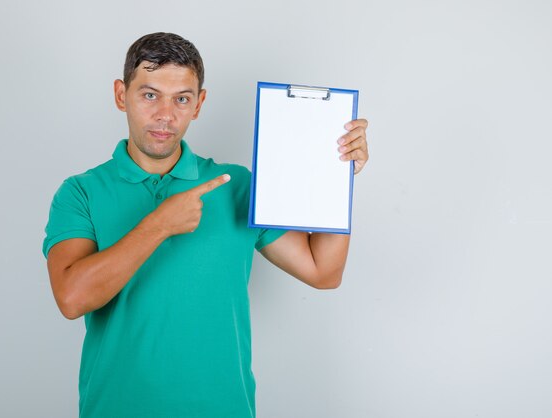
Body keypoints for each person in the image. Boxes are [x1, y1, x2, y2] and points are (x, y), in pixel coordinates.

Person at [43, 32, 369, 418]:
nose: (166, 114)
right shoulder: (80, 192)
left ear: (199, 104)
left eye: (181, 98)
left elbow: (324, 271)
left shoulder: (238, 186)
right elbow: (71, 298)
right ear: (120, 95)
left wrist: (337, 179)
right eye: (150, 95)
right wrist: (159, 224)